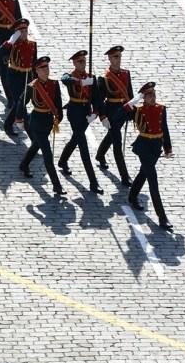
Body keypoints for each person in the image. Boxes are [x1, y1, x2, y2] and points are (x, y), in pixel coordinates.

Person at [116, 82, 174, 232]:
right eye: (149, 95)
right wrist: (134, 100)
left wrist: (167, 148)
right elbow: (120, 114)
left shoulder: (161, 109)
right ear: (144, 98)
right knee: (152, 180)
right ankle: (162, 217)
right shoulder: (138, 110)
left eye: (154, 95)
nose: (153, 98)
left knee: (144, 172)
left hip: (156, 147)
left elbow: (164, 128)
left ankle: (132, 195)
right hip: (144, 146)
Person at [57, 50, 104, 194]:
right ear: (74, 63)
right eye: (79, 61)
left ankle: (62, 160)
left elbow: (97, 98)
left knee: (75, 139)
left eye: (84, 61)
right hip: (74, 112)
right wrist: (80, 82)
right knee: (83, 145)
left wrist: (96, 113)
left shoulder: (91, 77)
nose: (82, 64)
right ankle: (93, 182)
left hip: (86, 113)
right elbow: (64, 79)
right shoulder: (71, 76)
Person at [18, 56, 65, 195]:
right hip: (37, 122)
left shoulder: (54, 84)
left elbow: (58, 102)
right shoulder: (32, 86)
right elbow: (21, 102)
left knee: (37, 145)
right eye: (42, 68)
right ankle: (57, 185)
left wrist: (59, 117)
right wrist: (19, 119)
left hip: (48, 121)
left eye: (47, 67)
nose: (46, 70)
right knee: (47, 154)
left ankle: (24, 164)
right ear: (36, 71)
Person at [95, 45, 134, 186]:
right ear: (110, 59)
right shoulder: (104, 78)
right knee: (117, 142)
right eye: (115, 57)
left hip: (123, 110)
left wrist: (131, 110)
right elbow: (99, 100)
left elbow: (130, 93)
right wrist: (103, 116)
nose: (118, 59)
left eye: (119, 56)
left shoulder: (126, 73)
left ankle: (100, 155)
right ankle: (124, 175)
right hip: (111, 112)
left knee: (112, 136)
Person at [0, 19, 37, 137]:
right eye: (21, 31)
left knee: (19, 103)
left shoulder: (32, 43)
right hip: (14, 76)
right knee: (21, 105)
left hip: (27, 76)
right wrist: (10, 41)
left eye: (25, 31)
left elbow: (34, 62)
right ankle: (33, 137)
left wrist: (36, 79)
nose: (24, 33)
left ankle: (8, 124)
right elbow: (0, 52)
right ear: (17, 33)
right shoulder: (12, 44)